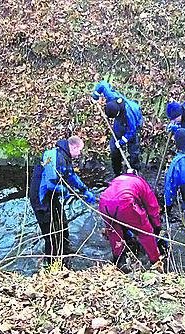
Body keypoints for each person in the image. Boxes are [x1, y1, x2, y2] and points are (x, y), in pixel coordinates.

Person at [29, 136, 96, 266]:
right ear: (74, 147)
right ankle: (53, 264)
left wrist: (84, 190)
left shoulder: (64, 156)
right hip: (41, 199)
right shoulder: (53, 157)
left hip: (52, 195)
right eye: (79, 150)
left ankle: (65, 252)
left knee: (62, 223)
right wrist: (64, 191)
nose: (80, 154)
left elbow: (71, 176)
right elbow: (51, 183)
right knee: (51, 234)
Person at [99, 168, 162, 266]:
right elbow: (152, 207)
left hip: (103, 202)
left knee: (113, 232)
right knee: (145, 233)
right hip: (125, 202)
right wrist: (157, 226)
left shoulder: (118, 179)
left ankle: (117, 260)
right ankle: (155, 261)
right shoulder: (141, 182)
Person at [92, 80, 143, 176]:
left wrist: (122, 141)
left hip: (134, 123)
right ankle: (117, 172)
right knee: (114, 148)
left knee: (133, 150)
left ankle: (135, 171)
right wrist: (95, 95)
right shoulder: (111, 97)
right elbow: (103, 85)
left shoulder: (128, 115)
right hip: (120, 124)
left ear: (117, 114)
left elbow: (131, 131)